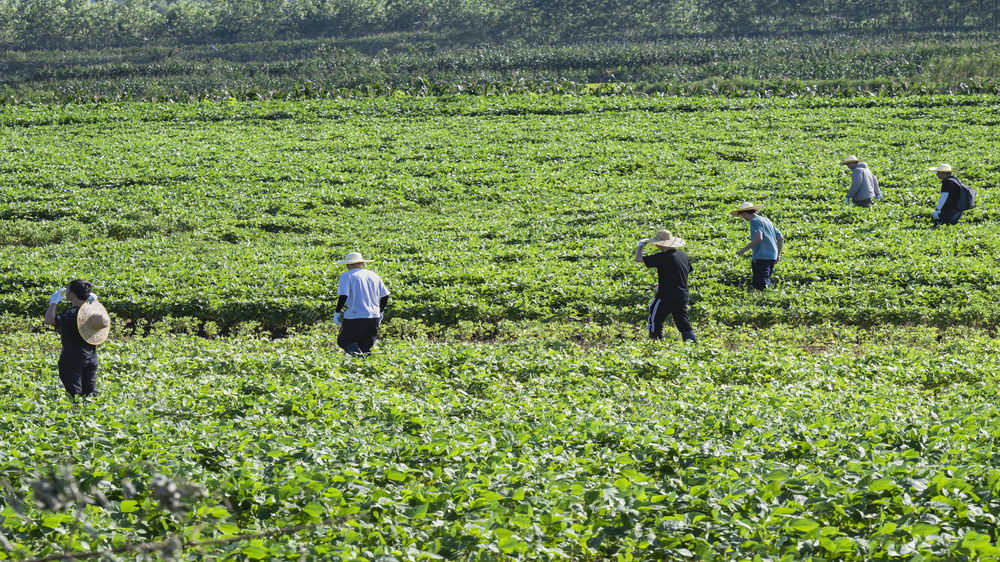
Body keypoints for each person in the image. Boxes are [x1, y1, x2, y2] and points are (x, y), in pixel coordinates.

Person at [43, 279, 110, 398]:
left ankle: (77, 415)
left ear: (72, 295)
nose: (66, 291)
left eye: (68, 290)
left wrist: (53, 302)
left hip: (72, 359)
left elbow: (49, 320)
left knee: (75, 396)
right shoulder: (93, 312)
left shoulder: (71, 313)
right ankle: (92, 414)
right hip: (92, 358)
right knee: (91, 394)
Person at [635, 230, 696, 343]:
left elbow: (638, 259)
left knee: (655, 319)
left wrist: (640, 246)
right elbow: (683, 272)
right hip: (682, 295)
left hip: (666, 295)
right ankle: (693, 346)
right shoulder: (683, 255)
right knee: (683, 323)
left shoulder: (662, 257)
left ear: (660, 244)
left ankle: (655, 344)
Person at [333, 252, 389, 356]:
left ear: (347, 264)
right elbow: (385, 295)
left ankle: (359, 360)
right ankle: (367, 368)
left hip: (355, 315)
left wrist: (337, 312)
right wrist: (380, 311)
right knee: (365, 346)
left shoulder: (346, 275)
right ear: (362, 263)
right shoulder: (374, 275)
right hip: (374, 316)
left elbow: (343, 296)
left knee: (344, 340)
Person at [732, 202, 784, 290]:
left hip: (761, 256)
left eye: (741, 216)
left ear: (744, 213)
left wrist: (743, 250)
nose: (743, 218)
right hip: (772, 256)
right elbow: (780, 238)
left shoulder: (754, 221)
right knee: (766, 280)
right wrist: (778, 255)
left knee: (761, 285)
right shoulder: (766, 220)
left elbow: (759, 238)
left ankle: (765, 301)